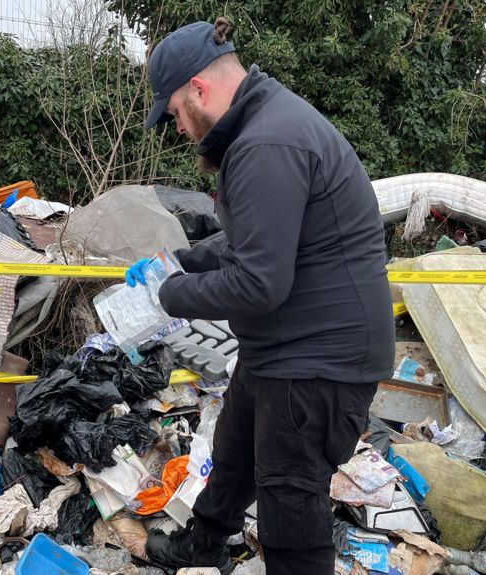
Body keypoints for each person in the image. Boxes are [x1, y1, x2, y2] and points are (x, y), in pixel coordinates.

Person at [128, 18, 394, 575]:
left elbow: (258, 283)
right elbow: (258, 234)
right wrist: (178, 262)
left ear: (198, 89)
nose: (178, 127)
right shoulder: (267, 124)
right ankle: (202, 547)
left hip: (318, 364)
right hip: (288, 346)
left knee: (290, 509)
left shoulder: (265, 144)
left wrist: (169, 297)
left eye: (174, 111)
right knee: (234, 449)